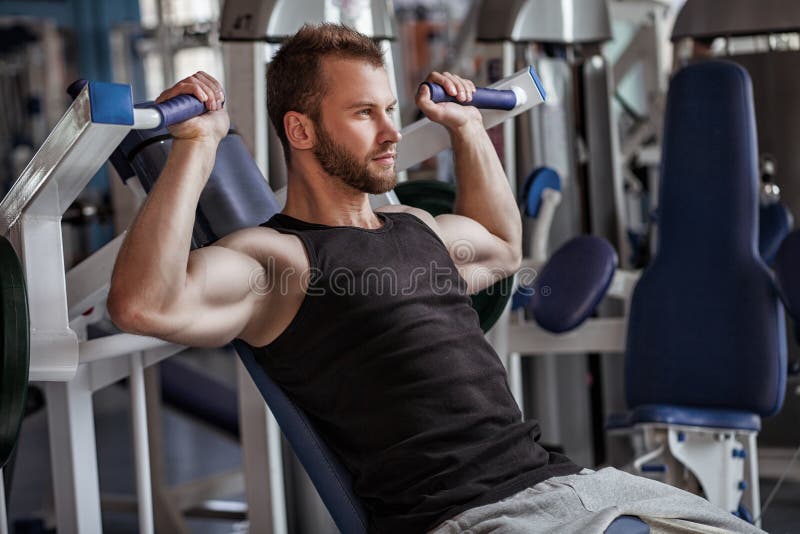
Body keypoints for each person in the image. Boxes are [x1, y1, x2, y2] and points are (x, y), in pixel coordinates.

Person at [108, 23, 762, 534]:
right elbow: (143, 303)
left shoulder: (417, 225)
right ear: (300, 129)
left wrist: (467, 127)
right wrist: (196, 148)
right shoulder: (279, 260)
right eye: (365, 114)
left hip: (572, 487)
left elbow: (504, 247)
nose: (392, 131)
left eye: (391, 108)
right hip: (473, 519)